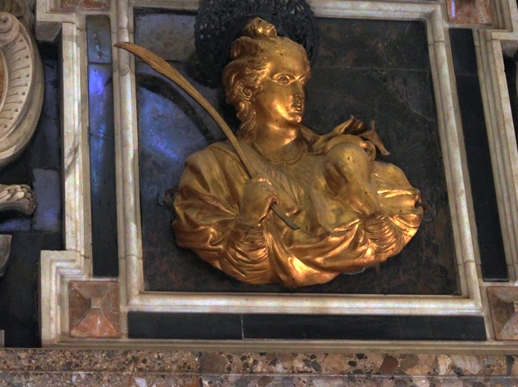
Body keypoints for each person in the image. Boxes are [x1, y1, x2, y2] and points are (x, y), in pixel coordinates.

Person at [172, 17, 424, 287]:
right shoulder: (211, 170)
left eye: (302, 81)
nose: (299, 93)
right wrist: (248, 221)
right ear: (247, 89)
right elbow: (238, 258)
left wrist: (371, 208)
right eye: (284, 79)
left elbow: (390, 235)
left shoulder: (344, 163)